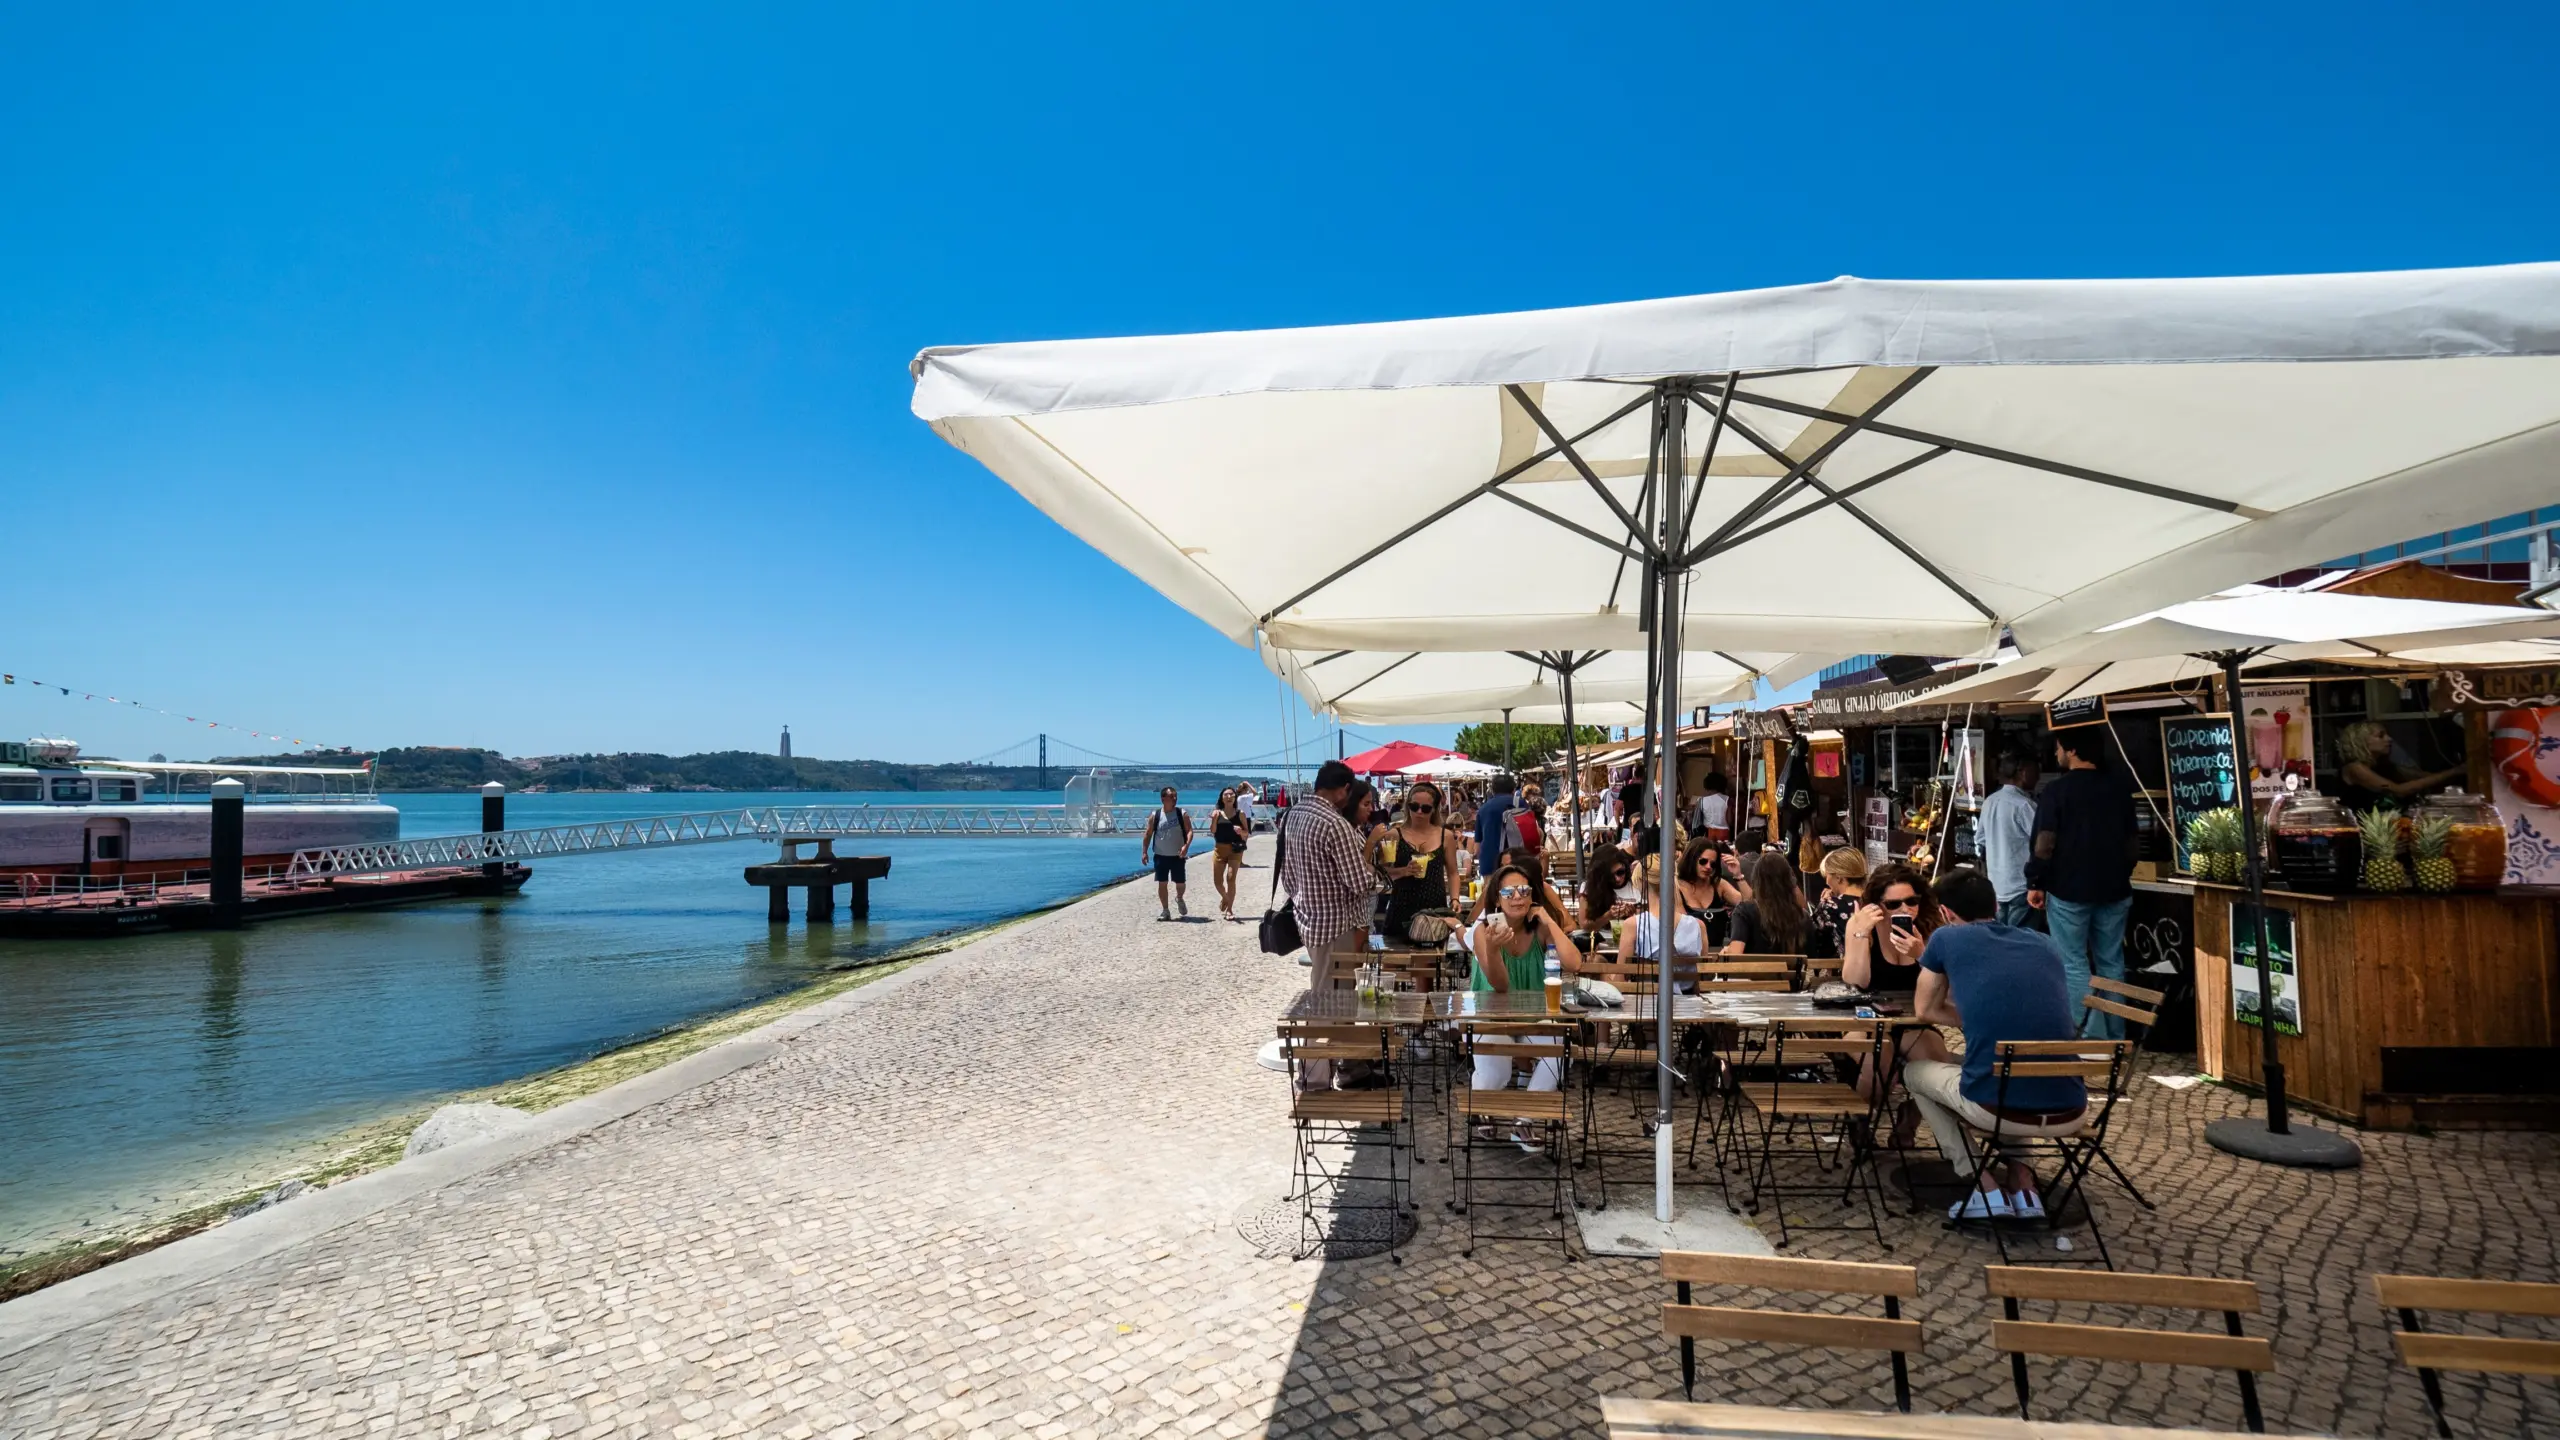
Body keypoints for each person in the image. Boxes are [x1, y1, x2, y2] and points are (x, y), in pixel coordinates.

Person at [1906, 868, 2089, 1222]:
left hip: (1997, 1106)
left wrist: (1969, 1017)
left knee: (1915, 1073)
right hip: (2071, 1105)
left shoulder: (1946, 938)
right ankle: (2023, 1185)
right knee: (2006, 1071)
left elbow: (1924, 1009)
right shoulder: (2043, 942)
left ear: (1945, 912)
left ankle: (1982, 1185)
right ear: (1995, 906)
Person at [2027, 729, 2139, 1039]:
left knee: (2073, 961)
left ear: (2072, 750)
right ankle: (2115, 1035)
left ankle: (2087, 1035)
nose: (2055, 753)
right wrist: (2120, 871)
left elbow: (2043, 844)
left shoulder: (2056, 792)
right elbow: (2133, 845)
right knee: (2111, 962)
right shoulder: (2119, 789)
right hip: (2116, 889)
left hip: (2069, 889)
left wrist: (2035, 880)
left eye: (2059, 747)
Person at [1279, 760, 1382, 1090]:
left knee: (1336, 999)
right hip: (1337, 924)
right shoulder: (1334, 823)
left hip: (1310, 921)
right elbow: (1358, 881)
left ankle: (1349, 1067)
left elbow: (1287, 876)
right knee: (1327, 1001)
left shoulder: (1293, 815)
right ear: (1344, 790)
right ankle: (1313, 1077)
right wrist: (1383, 880)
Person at [1467, 861, 1584, 1148]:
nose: (1517, 896)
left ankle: (1525, 1119)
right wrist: (1494, 949)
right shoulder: (1484, 931)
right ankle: (1484, 1108)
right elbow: (1501, 985)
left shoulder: (1539, 930)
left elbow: (1575, 963)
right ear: (1496, 898)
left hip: (1534, 1016)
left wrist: (1549, 919)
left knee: (1561, 1049)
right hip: (1491, 1016)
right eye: (1508, 891)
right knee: (1498, 1073)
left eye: (1523, 890)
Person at [1839, 861, 1940, 996]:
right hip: (1875, 1011)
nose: (1905, 909)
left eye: (1912, 901)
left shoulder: (1930, 923)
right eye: (1893, 904)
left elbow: (1942, 985)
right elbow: (1855, 983)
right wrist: (1861, 935)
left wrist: (1921, 955)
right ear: (1877, 905)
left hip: (1920, 1009)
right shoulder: (1861, 924)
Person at [1375, 781, 1459, 938]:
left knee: (1429, 960)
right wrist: (1403, 871)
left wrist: (1455, 899)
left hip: (1433, 909)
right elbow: (1382, 872)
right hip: (1401, 906)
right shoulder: (1394, 835)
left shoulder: (1445, 836)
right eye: (1414, 807)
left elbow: (1453, 872)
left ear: (1433, 810)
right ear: (1408, 806)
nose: (1419, 812)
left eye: (1425, 808)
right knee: (1393, 960)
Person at [2334, 720, 2465, 813]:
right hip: (2363, 834)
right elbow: (2399, 790)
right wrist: (2455, 771)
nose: (2389, 739)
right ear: (2361, 741)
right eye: (2381, 736)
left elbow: (2420, 776)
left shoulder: (2383, 766)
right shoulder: (2355, 768)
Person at [1979, 750, 2042, 929]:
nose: (2038, 776)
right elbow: (2042, 845)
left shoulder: (1989, 802)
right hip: (2022, 887)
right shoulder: (2025, 806)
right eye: (2035, 770)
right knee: (2021, 943)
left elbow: (1981, 840)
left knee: (2001, 941)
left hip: (1997, 885)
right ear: (2022, 772)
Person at [1723, 851, 1811, 956]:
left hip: (1754, 971)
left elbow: (1735, 956)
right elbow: (1812, 961)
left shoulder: (1744, 911)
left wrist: (1725, 953)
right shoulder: (1803, 916)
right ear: (1789, 881)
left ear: (1756, 880)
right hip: (1792, 971)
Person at [1676, 837, 1747, 949]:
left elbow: (1748, 904)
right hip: (1688, 956)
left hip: (1717, 955)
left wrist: (1738, 876)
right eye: (1703, 861)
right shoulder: (1676, 886)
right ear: (1691, 859)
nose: (1708, 867)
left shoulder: (1718, 884)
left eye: (1713, 864)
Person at [1140, 786, 1193, 921]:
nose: (1174, 799)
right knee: (1162, 883)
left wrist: (1186, 846)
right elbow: (1148, 834)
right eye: (1171, 796)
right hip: (1160, 855)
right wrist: (1144, 852)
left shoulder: (1182, 813)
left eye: (1175, 796)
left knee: (1180, 883)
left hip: (1178, 855)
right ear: (1163, 799)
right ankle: (1165, 910)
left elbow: (1189, 831)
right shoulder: (1155, 816)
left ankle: (1179, 898)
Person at [1812, 847, 1868, 959]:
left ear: (1839, 878)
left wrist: (1822, 904)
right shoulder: (1877, 902)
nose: (1826, 881)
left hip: (1848, 970)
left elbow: (1813, 941)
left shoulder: (1830, 906)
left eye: (1827, 875)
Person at [1577, 842, 1642, 933]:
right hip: (1600, 942)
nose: (1617, 879)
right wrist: (1608, 916)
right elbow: (1584, 925)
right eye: (1610, 876)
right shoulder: (1589, 887)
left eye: (1620, 872)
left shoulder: (1635, 883)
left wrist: (1633, 914)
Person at [1208, 787, 1250, 921]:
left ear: (1235, 798)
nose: (1229, 796)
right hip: (1219, 849)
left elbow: (1246, 833)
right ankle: (1225, 898)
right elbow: (1213, 831)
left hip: (1235, 849)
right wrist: (1214, 819)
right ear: (1222, 798)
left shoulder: (1240, 813)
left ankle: (1230, 909)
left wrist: (1240, 831)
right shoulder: (1217, 813)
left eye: (1231, 794)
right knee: (1217, 882)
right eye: (1226, 794)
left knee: (1231, 878)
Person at [1475, 774, 1520, 880]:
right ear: (1513, 789)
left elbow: (1477, 847)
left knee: (1491, 894)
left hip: (1490, 863)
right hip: (1518, 863)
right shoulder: (1520, 805)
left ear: (1493, 790)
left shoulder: (1483, 809)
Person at [1698, 772, 1733, 843]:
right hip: (1724, 832)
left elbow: (1699, 820)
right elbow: (1730, 820)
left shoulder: (1701, 800)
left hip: (1709, 831)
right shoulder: (1727, 799)